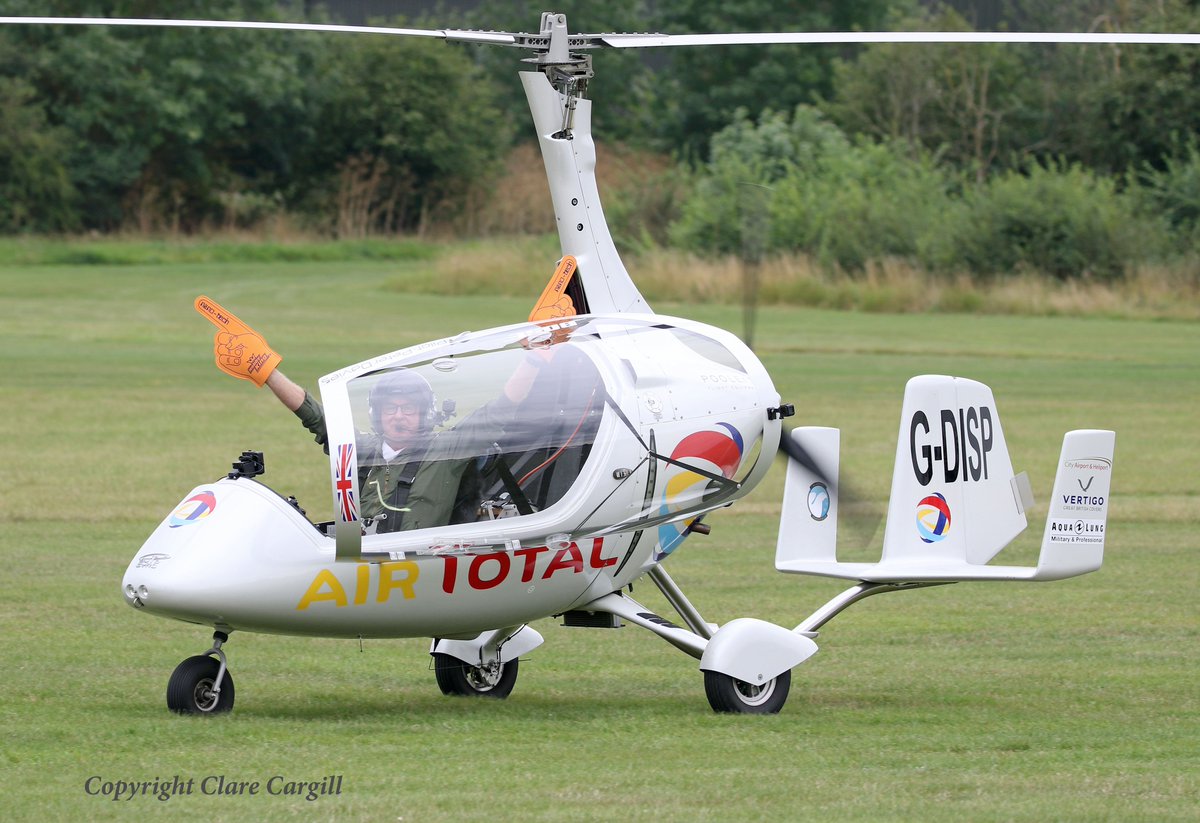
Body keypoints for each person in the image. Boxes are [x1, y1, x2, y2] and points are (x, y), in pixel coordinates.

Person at [194, 295, 551, 533]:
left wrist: (534, 358)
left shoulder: (448, 450)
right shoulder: (362, 454)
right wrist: (267, 371)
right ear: (377, 416)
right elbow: (314, 416)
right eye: (390, 409)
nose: (398, 416)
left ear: (424, 414)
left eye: (408, 409)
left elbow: (500, 411)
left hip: (426, 566)